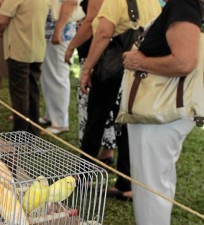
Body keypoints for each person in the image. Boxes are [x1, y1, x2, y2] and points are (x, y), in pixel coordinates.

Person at [122, 0, 202, 224]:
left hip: (160, 115)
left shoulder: (183, 4)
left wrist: (141, 62)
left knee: (150, 189)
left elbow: (185, 62)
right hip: (162, 115)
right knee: (156, 183)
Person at [78, 0, 161, 199]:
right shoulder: (153, 2)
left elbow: (103, 34)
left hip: (111, 71)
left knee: (95, 121)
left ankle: (83, 176)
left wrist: (87, 68)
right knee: (127, 126)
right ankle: (126, 182)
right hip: (137, 72)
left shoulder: (115, 1)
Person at [65, 0, 116, 165]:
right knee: (109, 108)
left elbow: (91, 23)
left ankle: (88, 163)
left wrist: (71, 46)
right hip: (112, 57)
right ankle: (106, 152)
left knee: (92, 112)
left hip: (98, 56)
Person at [0, 0, 50, 135]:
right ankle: (32, 130)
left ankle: (20, 132)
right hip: (37, 48)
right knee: (32, 91)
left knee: (19, 92)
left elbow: (2, 20)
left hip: (19, 48)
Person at [39, 0, 77, 135]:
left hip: (58, 32)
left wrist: (58, 30)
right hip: (49, 32)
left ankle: (60, 122)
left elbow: (71, 2)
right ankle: (50, 115)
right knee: (47, 76)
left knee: (57, 76)